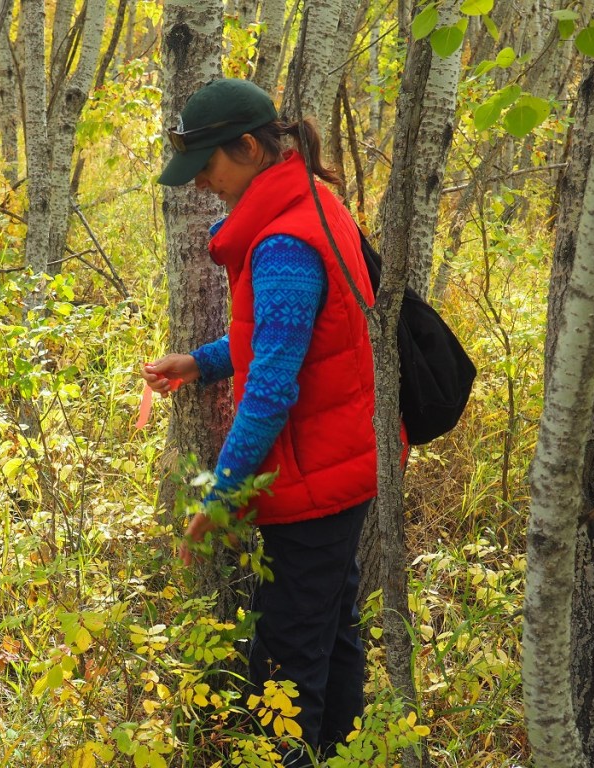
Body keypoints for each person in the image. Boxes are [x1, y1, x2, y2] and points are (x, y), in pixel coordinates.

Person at [142, 78, 381, 766]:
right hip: (344, 463)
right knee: (332, 634)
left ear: (247, 147)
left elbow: (272, 388)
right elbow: (288, 337)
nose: (202, 186)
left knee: (285, 663)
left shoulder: (281, 243)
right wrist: (202, 362)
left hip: (314, 479)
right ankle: (345, 752)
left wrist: (220, 498)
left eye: (209, 167)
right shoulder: (314, 203)